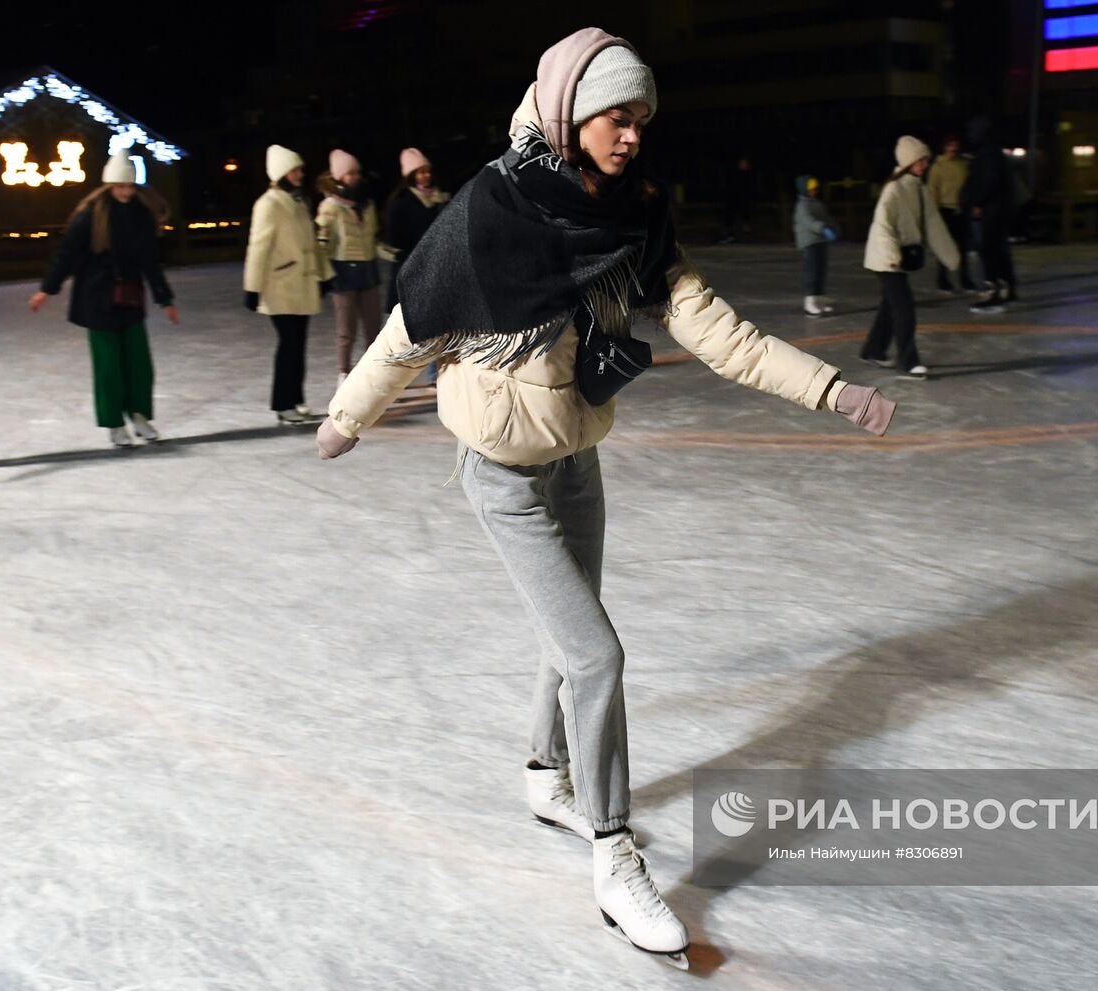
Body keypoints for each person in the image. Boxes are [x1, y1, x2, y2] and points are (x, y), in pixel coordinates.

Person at [313, 27, 897, 968]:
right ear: (568, 112)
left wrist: (832, 389)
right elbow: (408, 329)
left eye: (641, 121)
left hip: (576, 460)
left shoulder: (636, 216)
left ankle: (547, 773)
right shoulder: (487, 214)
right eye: (616, 117)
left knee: (570, 636)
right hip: (499, 473)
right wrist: (347, 416)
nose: (631, 136)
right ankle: (613, 852)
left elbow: (721, 331)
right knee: (596, 650)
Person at [28, 152, 179, 447]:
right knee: (109, 366)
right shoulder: (90, 216)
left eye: (130, 186)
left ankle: (139, 416)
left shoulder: (141, 216)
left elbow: (150, 262)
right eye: (120, 185)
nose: (125, 191)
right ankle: (114, 423)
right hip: (97, 299)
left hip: (130, 297)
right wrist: (47, 289)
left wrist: (165, 299)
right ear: (109, 185)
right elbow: (66, 256)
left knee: (139, 364)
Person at [244, 144, 331, 424]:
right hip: (280, 285)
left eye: (300, 169)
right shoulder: (268, 204)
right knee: (289, 344)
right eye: (295, 170)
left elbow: (313, 246)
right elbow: (259, 247)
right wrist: (252, 287)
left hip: (301, 285)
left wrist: (325, 275)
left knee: (298, 344)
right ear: (282, 172)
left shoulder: (298, 201)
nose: (300, 174)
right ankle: (283, 404)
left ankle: (296, 398)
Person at [861, 135, 959, 379]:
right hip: (886, 258)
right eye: (920, 160)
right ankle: (907, 362)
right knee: (904, 307)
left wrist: (951, 256)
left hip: (897, 257)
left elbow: (933, 223)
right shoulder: (894, 189)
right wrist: (892, 257)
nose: (925, 165)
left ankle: (874, 349)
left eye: (925, 160)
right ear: (907, 162)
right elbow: (882, 225)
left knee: (890, 306)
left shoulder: (919, 188)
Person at [316, 149, 381, 385]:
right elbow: (322, 243)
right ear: (339, 177)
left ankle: (374, 376)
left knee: (374, 330)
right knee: (346, 331)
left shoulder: (367, 204)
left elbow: (373, 238)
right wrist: (323, 275)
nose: (355, 177)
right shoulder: (330, 207)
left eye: (357, 172)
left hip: (368, 271)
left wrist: (391, 253)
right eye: (350, 173)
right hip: (343, 273)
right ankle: (343, 373)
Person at [960, 116, 1018, 313]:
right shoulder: (992, 152)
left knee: (989, 250)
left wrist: (977, 202)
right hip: (996, 209)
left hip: (991, 210)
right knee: (998, 250)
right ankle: (1007, 288)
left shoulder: (988, 154)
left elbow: (988, 181)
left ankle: (994, 291)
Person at [383, 147, 450, 314]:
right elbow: (394, 238)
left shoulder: (437, 199)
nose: (426, 176)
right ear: (411, 175)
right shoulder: (401, 202)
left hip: (436, 264)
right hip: (412, 266)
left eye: (427, 171)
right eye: (420, 172)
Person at [926, 135, 975, 294]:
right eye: (950, 146)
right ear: (944, 147)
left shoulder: (963, 165)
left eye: (955, 145)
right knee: (946, 247)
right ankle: (943, 279)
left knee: (963, 248)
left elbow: (969, 186)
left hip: (961, 210)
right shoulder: (938, 167)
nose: (953, 149)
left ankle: (965, 279)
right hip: (945, 210)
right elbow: (932, 189)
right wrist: (935, 211)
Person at [793, 174, 838, 316]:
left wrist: (834, 227)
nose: (814, 191)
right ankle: (810, 302)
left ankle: (819, 300)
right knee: (812, 271)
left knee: (820, 271)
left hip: (820, 241)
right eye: (811, 189)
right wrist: (822, 228)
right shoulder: (802, 206)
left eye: (815, 189)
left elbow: (826, 217)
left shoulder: (816, 203)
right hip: (809, 242)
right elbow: (808, 221)